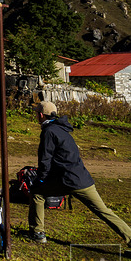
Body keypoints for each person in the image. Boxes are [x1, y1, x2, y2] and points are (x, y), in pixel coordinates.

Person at [28, 101, 131, 246]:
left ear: (40, 115)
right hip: (82, 179)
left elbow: (45, 160)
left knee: (37, 192)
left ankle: (38, 233)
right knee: (104, 211)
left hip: (66, 180)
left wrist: (40, 179)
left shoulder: (48, 131)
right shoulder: (62, 128)